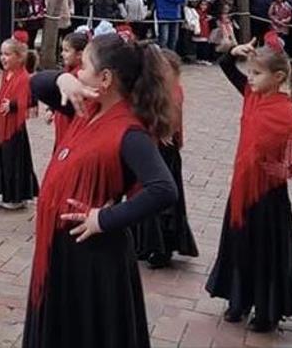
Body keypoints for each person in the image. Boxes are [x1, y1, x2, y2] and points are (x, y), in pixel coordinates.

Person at [24, 34, 177, 347]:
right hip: (61, 247)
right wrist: (64, 79)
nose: (79, 71)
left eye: (84, 66)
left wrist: (103, 218)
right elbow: (37, 84)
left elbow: (163, 189)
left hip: (92, 256)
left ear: (105, 78)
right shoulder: (86, 107)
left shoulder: (129, 131)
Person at [206, 33, 292, 332]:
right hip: (241, 188)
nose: (250, 78)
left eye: (257, 74)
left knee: (263, 252)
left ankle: (266, 309)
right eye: (250, 72)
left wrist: (286, 170)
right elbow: (225, 65)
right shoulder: (251, 96)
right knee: (238, 245)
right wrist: (234, 51)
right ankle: (238, 299)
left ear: (279, 77)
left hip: (268, 196)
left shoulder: (286, 113)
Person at [133, 50, 199, 269]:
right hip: (153, 145)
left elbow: (172, 118)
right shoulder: (154, 89)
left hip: (164, 149)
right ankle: (144, 243)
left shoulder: (173, 91)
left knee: (161, 199)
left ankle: (160, 246)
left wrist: (167, 131)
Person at [0, 37, 39, 210]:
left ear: (19, 57)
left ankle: (16, 196)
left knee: (13, 162)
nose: (3, 58)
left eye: (7, 54)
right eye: (2, 54)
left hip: (14, 127)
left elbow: (28, 99)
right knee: (6, 160)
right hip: (4, 123)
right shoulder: (9, 74)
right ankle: (10, 193)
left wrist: (12, 105)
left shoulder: (23, 77)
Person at [47, 32, 87, 151]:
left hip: (71, 125)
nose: (62, 54)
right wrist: (52, 109)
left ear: (79, 54)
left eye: (66, 50)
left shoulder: (82, 75)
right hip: (62, 122)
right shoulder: (67, 71)